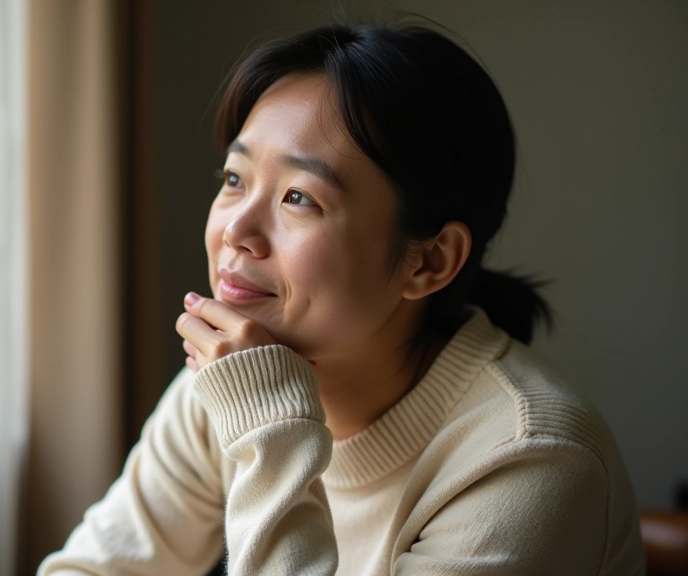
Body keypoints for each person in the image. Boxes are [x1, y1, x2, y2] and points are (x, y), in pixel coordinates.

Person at [39, 23, 645, 575]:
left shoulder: (530, 459)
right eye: (234, 180)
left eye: (299, 197)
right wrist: (260, 412)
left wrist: (270, 431)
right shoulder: (231, 388)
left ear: (429, 260)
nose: (235, 232)